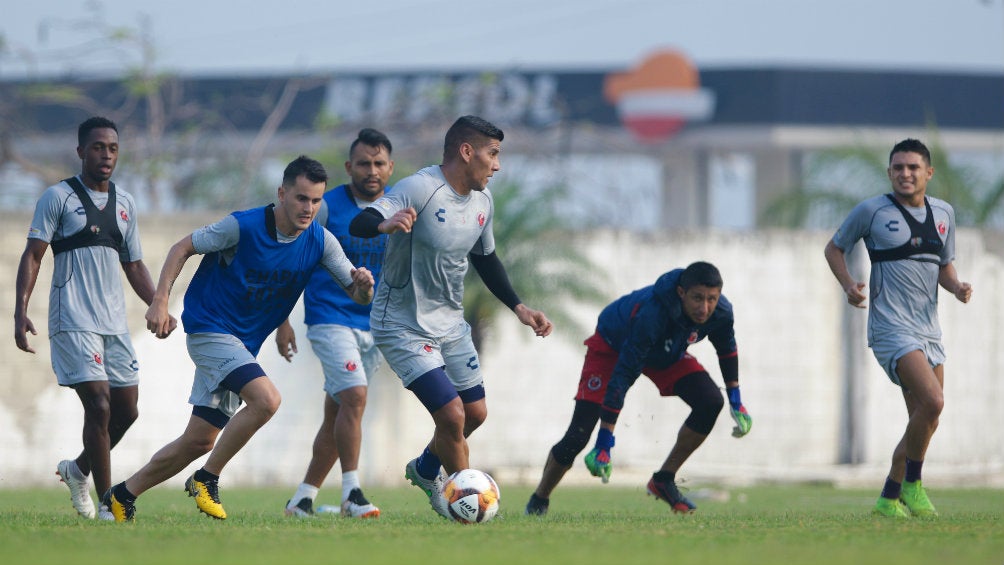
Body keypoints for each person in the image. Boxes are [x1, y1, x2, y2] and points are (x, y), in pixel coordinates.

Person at [101, 155, 374, 522]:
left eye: (315, 200)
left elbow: (356, 294)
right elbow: (182, 247)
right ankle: (207, 478)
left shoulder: (321, 241)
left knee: (199, 440)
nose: (308, 208)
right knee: (267, 400)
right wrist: (161, 300)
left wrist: (364, 287)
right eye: (301, 198)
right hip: (209, 329)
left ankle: (120, 497)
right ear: (282, 193)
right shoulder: (241, 227)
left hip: (242, 345)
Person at [348, 115, 553, 518]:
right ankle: (468, 509)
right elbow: (361, 220)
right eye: (492, 154)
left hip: (450, 324)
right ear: (466, 151)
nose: (496, 165)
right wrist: (386, 223)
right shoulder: (420, 188)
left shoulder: (483, 201)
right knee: (452, 414)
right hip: (401, 324)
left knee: (474, 414)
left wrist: (519, 307)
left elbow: (486, 259)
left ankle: (426, 468)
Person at [14, 116, 174, 520]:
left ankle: (78, 469)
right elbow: (33, 255)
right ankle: (109, 505)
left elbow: (134, 264)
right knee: (99, 405)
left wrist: (159, 303)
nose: (106, 155)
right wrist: (20, 311)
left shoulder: (125, 203)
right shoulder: (58, 197)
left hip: (113, 324)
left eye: (113, 148)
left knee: (127, 411)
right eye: (98, 147)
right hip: (72, 320)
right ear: (81, 151)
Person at [525, 261, 752, 516]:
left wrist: (736, 400)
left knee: (711, 402)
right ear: (681, 293)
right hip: (614, 346)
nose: (705, 308)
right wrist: (604, 443)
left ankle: (663, 480)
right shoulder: (652, 313)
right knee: (578, 435)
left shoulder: (721, 312)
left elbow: (726, 348)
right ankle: (539, 499)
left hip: (666, 351)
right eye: (698, 298)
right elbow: (623, 375)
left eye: (712, 298)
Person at [824, 138, 972, 519]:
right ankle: (913, 483)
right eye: (898, 168)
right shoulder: (871, 211)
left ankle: (888, 499)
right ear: (889, 172)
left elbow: (944, 264)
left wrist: (956, 287)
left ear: (928, 173)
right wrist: (848, 284)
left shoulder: (944, 214)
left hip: (929, 330)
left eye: (913, 168)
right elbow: (834, 248)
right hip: (891, 328)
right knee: (934, 402)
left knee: (925, 420)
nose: (905, 174)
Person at [276, 129, 394, 519]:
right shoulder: (327, 208)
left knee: (340, 412)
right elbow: (295, 262)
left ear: (390, 167)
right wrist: (283, 320)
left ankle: (303, 498)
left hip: (376, 325)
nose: (371, 170)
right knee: (356, 397)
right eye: (364, 163)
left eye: (379, 163)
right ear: (349, 167)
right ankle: (352, 494)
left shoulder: (398, 209)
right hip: (330, 318)